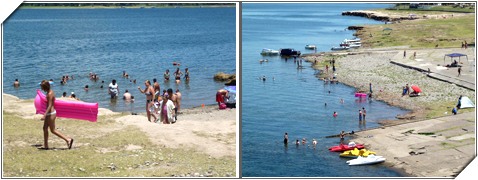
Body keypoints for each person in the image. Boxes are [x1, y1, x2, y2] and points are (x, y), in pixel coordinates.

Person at [39, 80, 73, 150]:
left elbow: (50, 105)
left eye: (42, 87)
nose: (41, 89)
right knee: (45, 128)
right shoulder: (50, 92)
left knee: (53, 130)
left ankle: (68, 140)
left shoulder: (49, 94)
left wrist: (44, 115)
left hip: (50, 114)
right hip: (50, 113)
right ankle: (46, 146)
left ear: (45, 87)